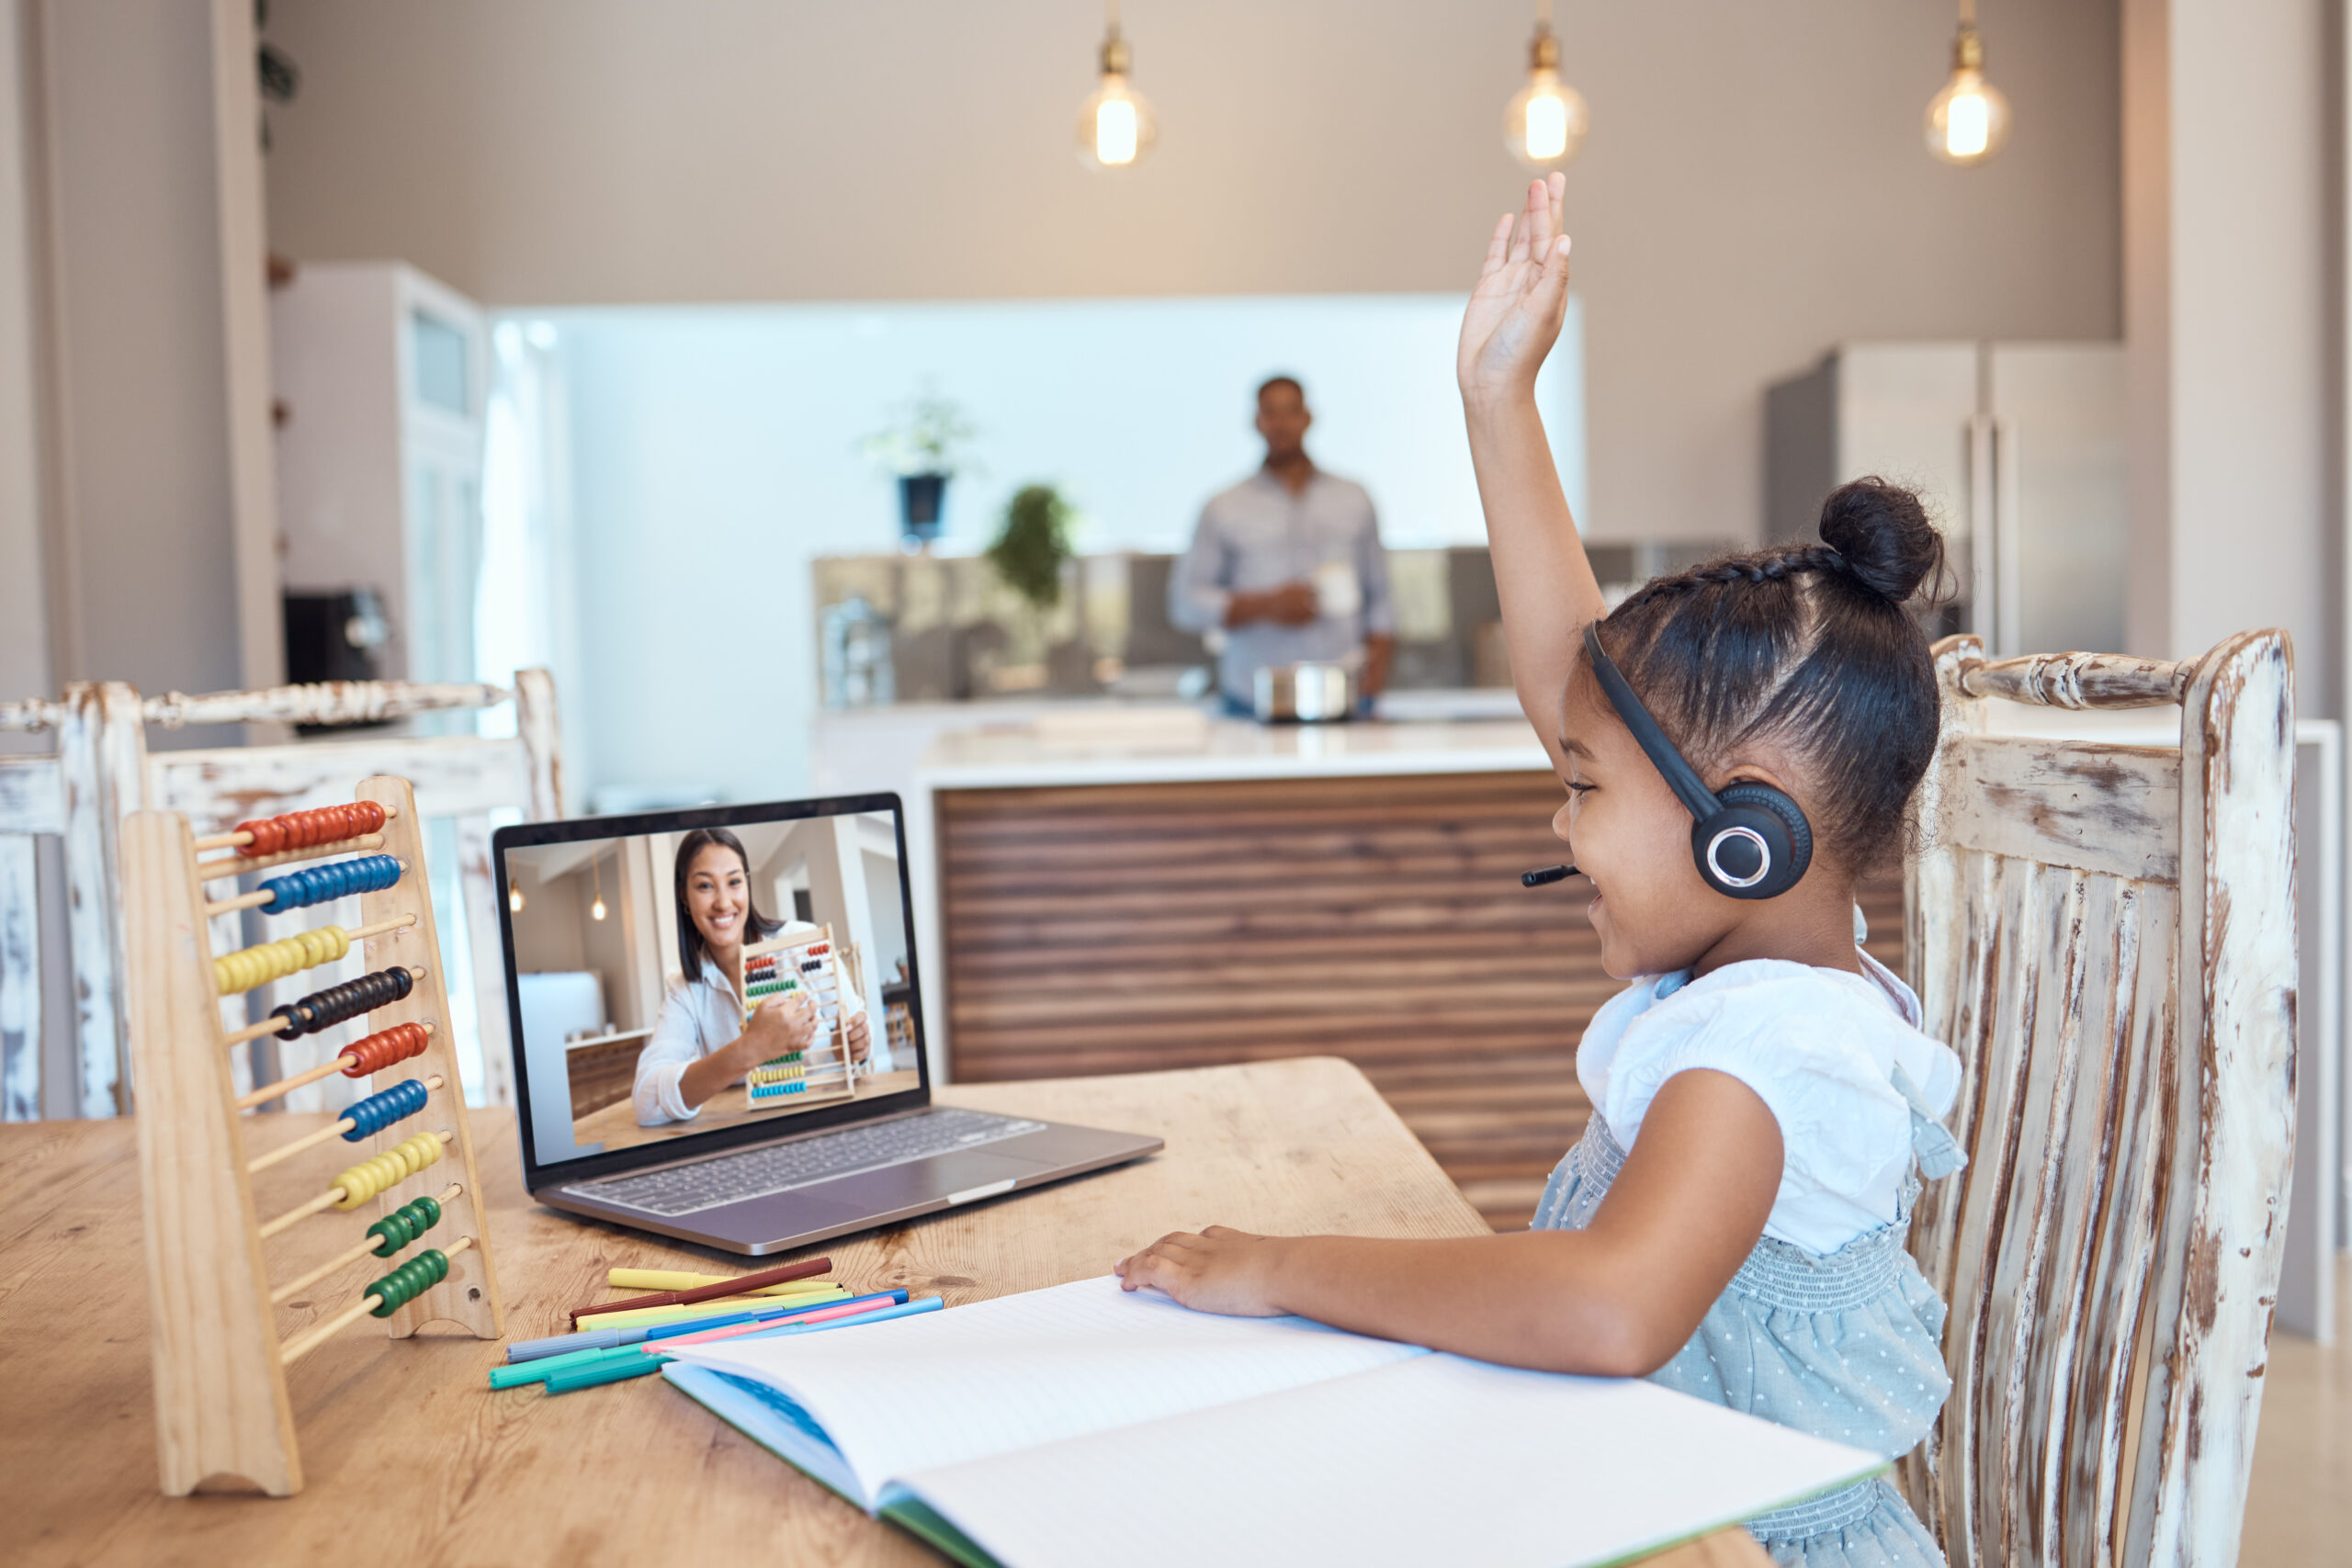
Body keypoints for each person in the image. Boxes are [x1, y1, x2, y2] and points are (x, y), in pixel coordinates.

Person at [1116, 176, 1963, 1568]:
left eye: (1582, 791)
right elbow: (1578, 680)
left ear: (1747, 835)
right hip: (1648, 1503)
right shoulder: (1774, 950)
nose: (1562, 826)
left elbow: (1607, 1307)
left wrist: (1281, 1264)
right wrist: (1498, 400)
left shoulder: (1772, 1048)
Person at [1168, 375, 1396, 714]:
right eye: (1270, 413)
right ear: (1257, 422)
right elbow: (1186, 603)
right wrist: (1267, 605)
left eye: (1290, 411)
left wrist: (1374, 677)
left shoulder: (1355, 499)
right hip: (1250, 703)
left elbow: (1381, 598)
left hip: (1345, 698)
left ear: (1308, 417)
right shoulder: (1223, 506)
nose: (1281, 424)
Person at [632, 827, 871, 1126]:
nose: (723, 902)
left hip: (829, 1118)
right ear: (684, 896)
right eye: (705, 886)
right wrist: (751, 1048)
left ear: (747, 885)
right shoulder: (684, 991)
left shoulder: (806, 942)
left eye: (734, 882)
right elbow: (645, 1101)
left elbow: (859, 1028)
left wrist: (858, 1044)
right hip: (750, 1132)